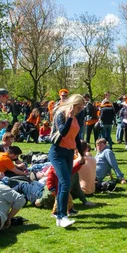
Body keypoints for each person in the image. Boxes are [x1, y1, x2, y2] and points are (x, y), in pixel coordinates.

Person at [49, 94, 86, 228]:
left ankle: (59, 216)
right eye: (78, 107)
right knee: (65, 183)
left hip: (69, 152)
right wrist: (70, 117)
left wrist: (81, 154)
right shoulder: (61, 114)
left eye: (81, 108)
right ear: (72, 104)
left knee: (64, 184)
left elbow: (76, 138)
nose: (79, 110)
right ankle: (62, 216)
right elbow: (63, 132)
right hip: (58, 152)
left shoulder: (75, 118)